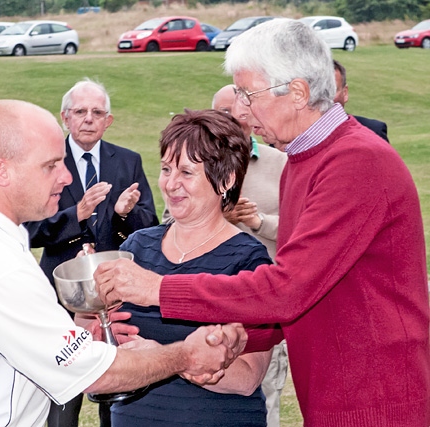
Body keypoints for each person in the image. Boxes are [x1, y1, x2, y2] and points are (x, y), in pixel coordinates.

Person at [94, 18, 430, 427]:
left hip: (376, 401)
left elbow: (288, 289)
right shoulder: (304, 162)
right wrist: (235, 339)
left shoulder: (356, 161)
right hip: (337, 395)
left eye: (248, 94)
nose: (240, 109)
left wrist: (156, 288)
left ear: (298, 92)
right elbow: (299, 300)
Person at [0, 99, 249, 427]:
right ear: (2, 171)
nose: (65, 176)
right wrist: (185, 354)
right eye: (50, 165)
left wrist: (75, 332)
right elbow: (97, 375)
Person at [110, 108, 274, 427]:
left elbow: (247, 377)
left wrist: (161, 358)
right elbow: (101, 332)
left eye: (186, 172)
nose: (171, 184)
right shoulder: (136, 247)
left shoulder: (249, 261)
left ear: (225, 180)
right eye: (166, 169)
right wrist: (96, 329)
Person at [25, 78, 158, 427]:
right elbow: (29, 229)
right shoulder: (46, 163)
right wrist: (76, 215)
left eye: (97, 112)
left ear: (108, 120)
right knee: (60, 396)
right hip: (59, 298)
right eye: (80, 112)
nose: (88, 118)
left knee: (114, 393)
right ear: (65, 118)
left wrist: (123, 214)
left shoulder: (128, 161)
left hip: (115, 295)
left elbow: (150, 227)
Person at [212, 84, 288, 427]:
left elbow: (300, 226)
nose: (227, 120)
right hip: (211, 301)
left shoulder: (281, 163)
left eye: (234, 112)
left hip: (265, 303)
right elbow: (170, 225)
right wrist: (219, 218)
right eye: (219, 113)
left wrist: (258, 222)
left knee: (265, 395)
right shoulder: (199, 166)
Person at [333, 59, 389, 142]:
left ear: (345, 93)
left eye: (331, 91)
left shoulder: (373, 132)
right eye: (318, 91)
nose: (324, 98)